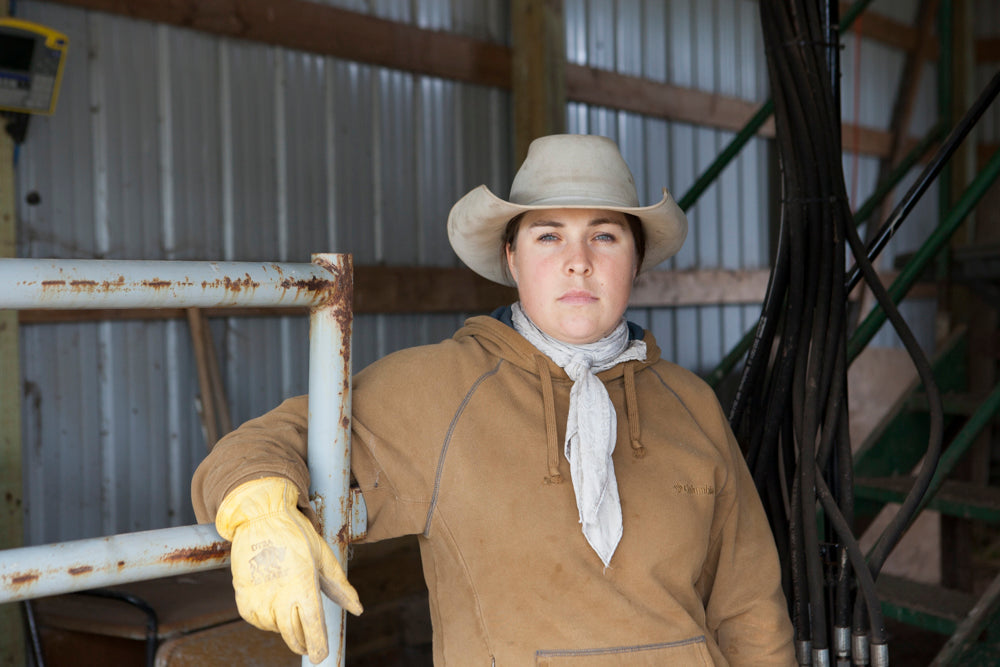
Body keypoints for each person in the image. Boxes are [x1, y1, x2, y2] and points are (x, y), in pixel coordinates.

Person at [192, 134, 795, 666]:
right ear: (512, 258)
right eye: (548, 235)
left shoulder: (690, 403)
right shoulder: (439, 391)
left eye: (605, 236)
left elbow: (749, 608)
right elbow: (269, 439)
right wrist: (261, 511)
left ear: (635, 260)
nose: (578, 262)